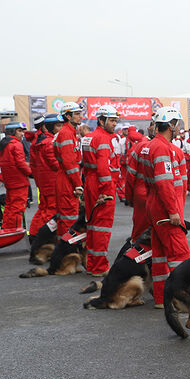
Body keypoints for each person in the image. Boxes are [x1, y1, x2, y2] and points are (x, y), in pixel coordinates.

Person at [139, 107, 190, 307]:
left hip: (155, 205)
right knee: (180, 254)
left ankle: (162, 299)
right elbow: (164, 183)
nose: (178, 128)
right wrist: (173, 211)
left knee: (160, 255)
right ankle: (180, 300)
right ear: (170, 125)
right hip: (164, 207)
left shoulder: (152, 146)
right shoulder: (161, 148)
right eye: (176, 124)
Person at [82, 105, 120, 276]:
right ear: (101, 120)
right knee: (101, 227)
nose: (114, 124)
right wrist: (106, 191)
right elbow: (104, 168)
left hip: (91, 182)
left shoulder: (89, 137)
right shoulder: (103, 139)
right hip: (102, 185)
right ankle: (99, 267)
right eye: (111, 120)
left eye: (115, 121)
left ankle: (92, 265)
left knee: (92, 225)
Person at [28, 114, 63, 239]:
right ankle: (46, 238)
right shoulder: (49, 142)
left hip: (43, 183)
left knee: (43, 209)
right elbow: (55, 165)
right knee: (51, 212)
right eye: (59, 126)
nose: (61, 128)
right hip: (52, 182)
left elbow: (33, 165)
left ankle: (34, 235)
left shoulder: (36, 141)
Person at [53, 102, 84, 235]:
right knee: (68, 219)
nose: (80, 117)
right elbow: (69, 163)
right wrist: (77, 184)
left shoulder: (71, 132)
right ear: (68, 116)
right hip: (67, 180)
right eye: (76, 114)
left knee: (69, 217)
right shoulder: (66, 133)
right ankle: (66, 251)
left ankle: (65, 249)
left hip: (67, 178)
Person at [124, 122, 153, 242]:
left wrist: (129, 198)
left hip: (141, 193)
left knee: (139, 230)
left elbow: (130, 176)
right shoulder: (172, 148)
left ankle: (135, 254)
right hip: (160, 196)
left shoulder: (138, 148)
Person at [0, 122, 32, 230]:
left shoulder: (4, 144)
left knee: (9, 207)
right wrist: (31, 172)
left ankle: (7, 229)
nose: (22, 134)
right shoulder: (16, 144)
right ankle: (16, 231)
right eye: (19, 131)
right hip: (19, 181)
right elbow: (21, 163)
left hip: (9, 181)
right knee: (18, 208)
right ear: (13, 131)